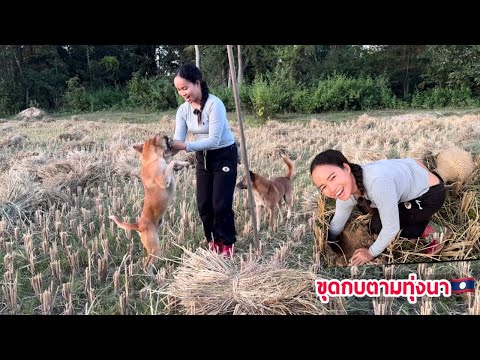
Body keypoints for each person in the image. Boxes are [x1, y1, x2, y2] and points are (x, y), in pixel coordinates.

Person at [310, 149, 451, 266]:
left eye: (333, 177)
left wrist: (371, 252)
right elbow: (339, 219)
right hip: (410, 172)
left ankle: (436, 231)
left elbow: (391, 227)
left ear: (346, 168)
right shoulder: (348, 185)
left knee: (378, 225)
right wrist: (330, 241)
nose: (332, 188)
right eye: (323, 187)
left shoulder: (377, 183)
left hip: (429, 194)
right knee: (366, 207)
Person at [169, 64, 238, 257]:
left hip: (224, 155)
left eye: (185, 88)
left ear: (197, 83)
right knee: (204, 205)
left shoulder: (215, 105)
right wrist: (163, 152)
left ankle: (227, 244)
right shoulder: (183, 111)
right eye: (179, 90)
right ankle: (213, 241)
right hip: (203, 159)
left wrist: (185, 147)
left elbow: (214, 140)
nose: (182, 93)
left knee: (220, 204)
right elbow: (178, 140)